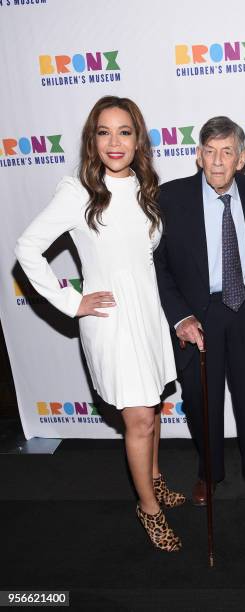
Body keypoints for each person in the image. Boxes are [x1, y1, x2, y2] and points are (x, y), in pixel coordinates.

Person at [15, 96, 184, 551]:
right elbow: (27, 248)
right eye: (103, 132)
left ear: (137, 138)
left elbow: (146, 256)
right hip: (110, 321)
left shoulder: (146, 186)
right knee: (139, 419)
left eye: (124, 131)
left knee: (152, 408)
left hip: (148, 314)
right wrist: (71, 301)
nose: (114, 142)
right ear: (92, 140)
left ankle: (155, 479)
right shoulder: (77, 191)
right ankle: (149, 509)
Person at [155, 116, 245, 507]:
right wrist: (180, 316)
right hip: (198, 315)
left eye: (226, 152)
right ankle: (209, 473)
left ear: (242, 158)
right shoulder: (171, 198)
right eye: (210, 152)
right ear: (198, 156)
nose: (217, 161)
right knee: (201, 400)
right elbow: (158, 265)